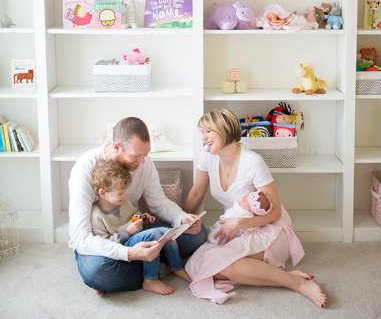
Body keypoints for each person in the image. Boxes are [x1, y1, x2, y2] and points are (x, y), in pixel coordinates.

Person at [184, 108, 327, 307]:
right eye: (202, 132)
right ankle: (278, 274)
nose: (204, 137)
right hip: (236, 228)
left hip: (269, 228)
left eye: (208, 131)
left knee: (225, 265)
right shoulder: (208, 156)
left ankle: (297, 283)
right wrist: (182, 222)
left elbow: (275, 211)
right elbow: (196, 193)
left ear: (224, 129)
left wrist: (242, 223)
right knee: (202, 263)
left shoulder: (253, 162)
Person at [69, 116, 206, 295]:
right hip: (102, 241)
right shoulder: (85, 169)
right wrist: (129, 254)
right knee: (98, 272)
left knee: (198, 234)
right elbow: (82, 239)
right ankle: (159, 269)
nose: (142, 162)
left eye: (146, 154)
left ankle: (145, 267)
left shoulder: (144, 162)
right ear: (116, 146)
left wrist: (182, 218)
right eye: (136, 156)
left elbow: (158, 202)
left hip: (134, 229)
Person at [90, 159, 191, 295]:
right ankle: (150, 279)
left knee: (167, 232)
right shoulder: (96, 215)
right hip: (120, 245)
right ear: (102, 193)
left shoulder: (123, 201)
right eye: (120, 193)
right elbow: (103, 243)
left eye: (125, 192)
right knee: (153, 235)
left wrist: (142, 217)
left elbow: (133, 214)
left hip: (134, 236)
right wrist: (127, 231)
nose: (125, 196)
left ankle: (177, 267)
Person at [207, 189, 272, 243]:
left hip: (229, 232)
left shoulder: (244, 215)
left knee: (217, 236)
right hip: (224, 224)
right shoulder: (239, 206)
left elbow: (245, 228)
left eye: (246, 202)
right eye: (246, 197)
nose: (244, 199)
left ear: (252, 212)